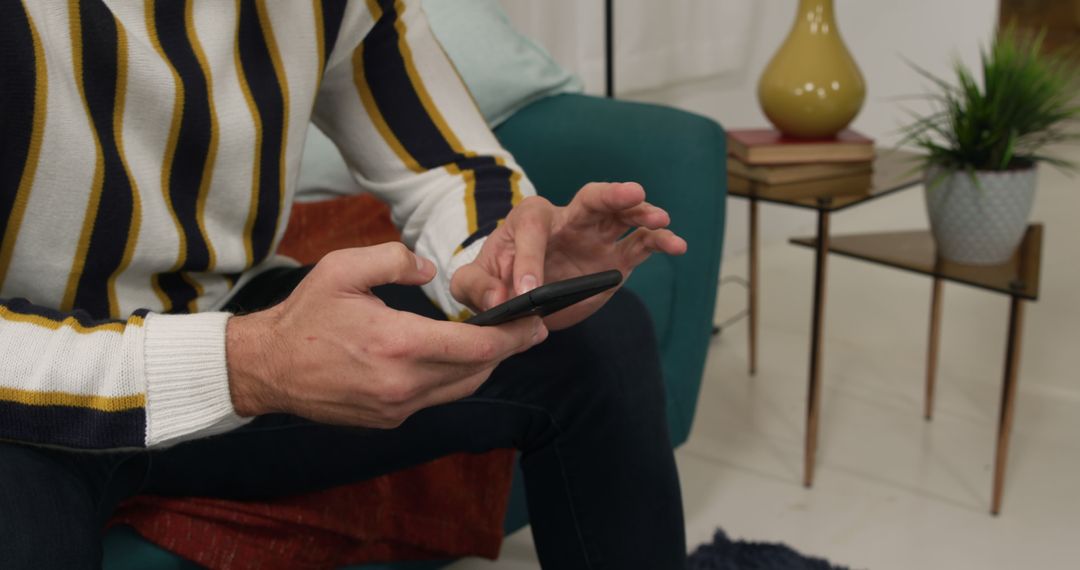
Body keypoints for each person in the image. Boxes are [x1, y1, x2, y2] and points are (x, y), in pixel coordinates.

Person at [0, 1, 688, 568]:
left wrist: (501, 264)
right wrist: (247, 362)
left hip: (226, 319)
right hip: (31, 394)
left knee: (595, 335)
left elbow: (446, 161)